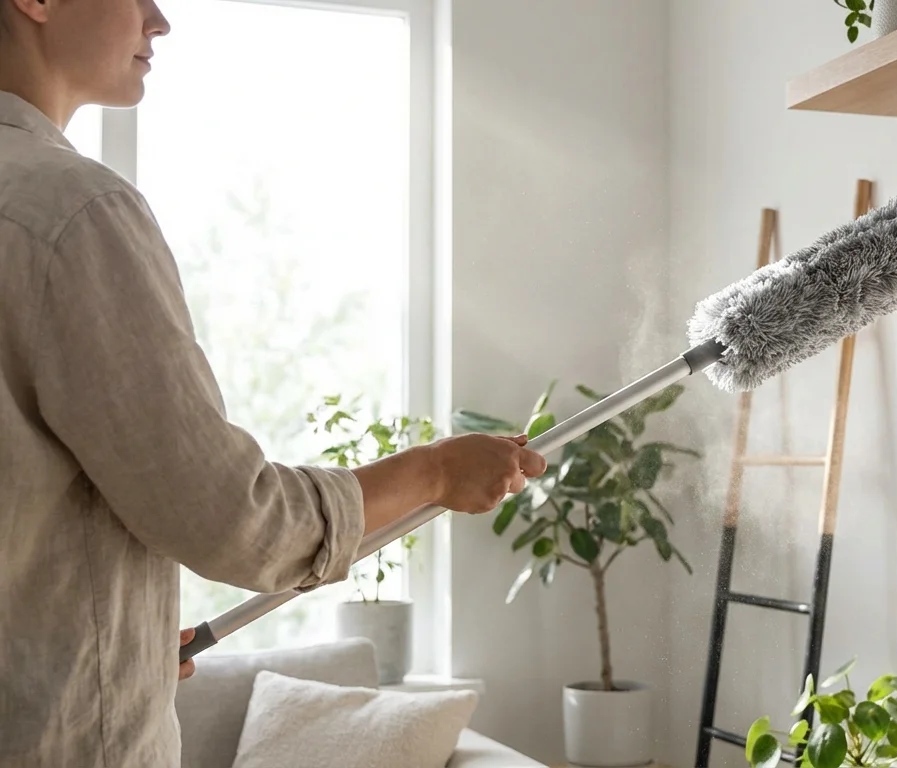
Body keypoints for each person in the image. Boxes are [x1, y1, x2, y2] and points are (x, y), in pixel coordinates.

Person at [0, 0, 549, 766]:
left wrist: (103, 641)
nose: (160, 21)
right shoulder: (71, 210)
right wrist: (433, 470)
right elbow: (232, 517)